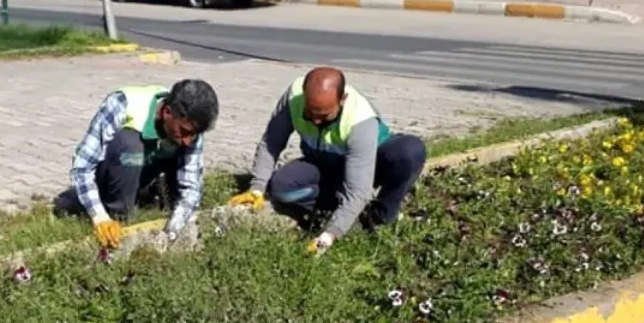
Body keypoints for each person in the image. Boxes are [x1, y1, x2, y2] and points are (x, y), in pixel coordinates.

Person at [228, 67, 427, 255]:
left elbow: (358, 190)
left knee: (409, 151)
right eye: (310, 113)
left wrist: (329, 235)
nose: (315, 121)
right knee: (282, 188)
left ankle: (378, 218)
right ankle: (344, 212)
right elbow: (271, 143)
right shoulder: (294, 97)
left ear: (342, 99)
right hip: (324, 163)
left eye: (323, 116)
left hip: (370, 163)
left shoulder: (360, 120)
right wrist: (256, 188)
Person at [62, 79, 220, 249]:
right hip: (111, 171)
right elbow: (82, 168)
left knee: (181, 148)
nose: (189, 140)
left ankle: (155, 194)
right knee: (130, 147)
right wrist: (100, 218)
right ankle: (119, 214)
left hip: (143, 170)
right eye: (185, 132)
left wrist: (172, 230)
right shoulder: (122, 104)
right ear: (167, 112)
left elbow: (192, 186)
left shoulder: (190, 125)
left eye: (194, 134)